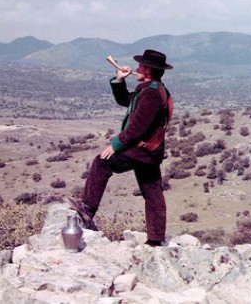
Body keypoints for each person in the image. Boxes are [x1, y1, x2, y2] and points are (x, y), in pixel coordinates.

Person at [68, 49, 173, 247]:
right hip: (150, 151)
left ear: (148, 70)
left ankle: (88, 208)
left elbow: (137, 127)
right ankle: (155, 239)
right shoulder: (153, 89)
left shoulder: (151, 94)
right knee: (152, 192)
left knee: (102, 163)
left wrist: (115, 145)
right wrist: (119, 80)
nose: (137, 68)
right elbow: (127, 101)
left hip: (141, 151)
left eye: (141, 66)